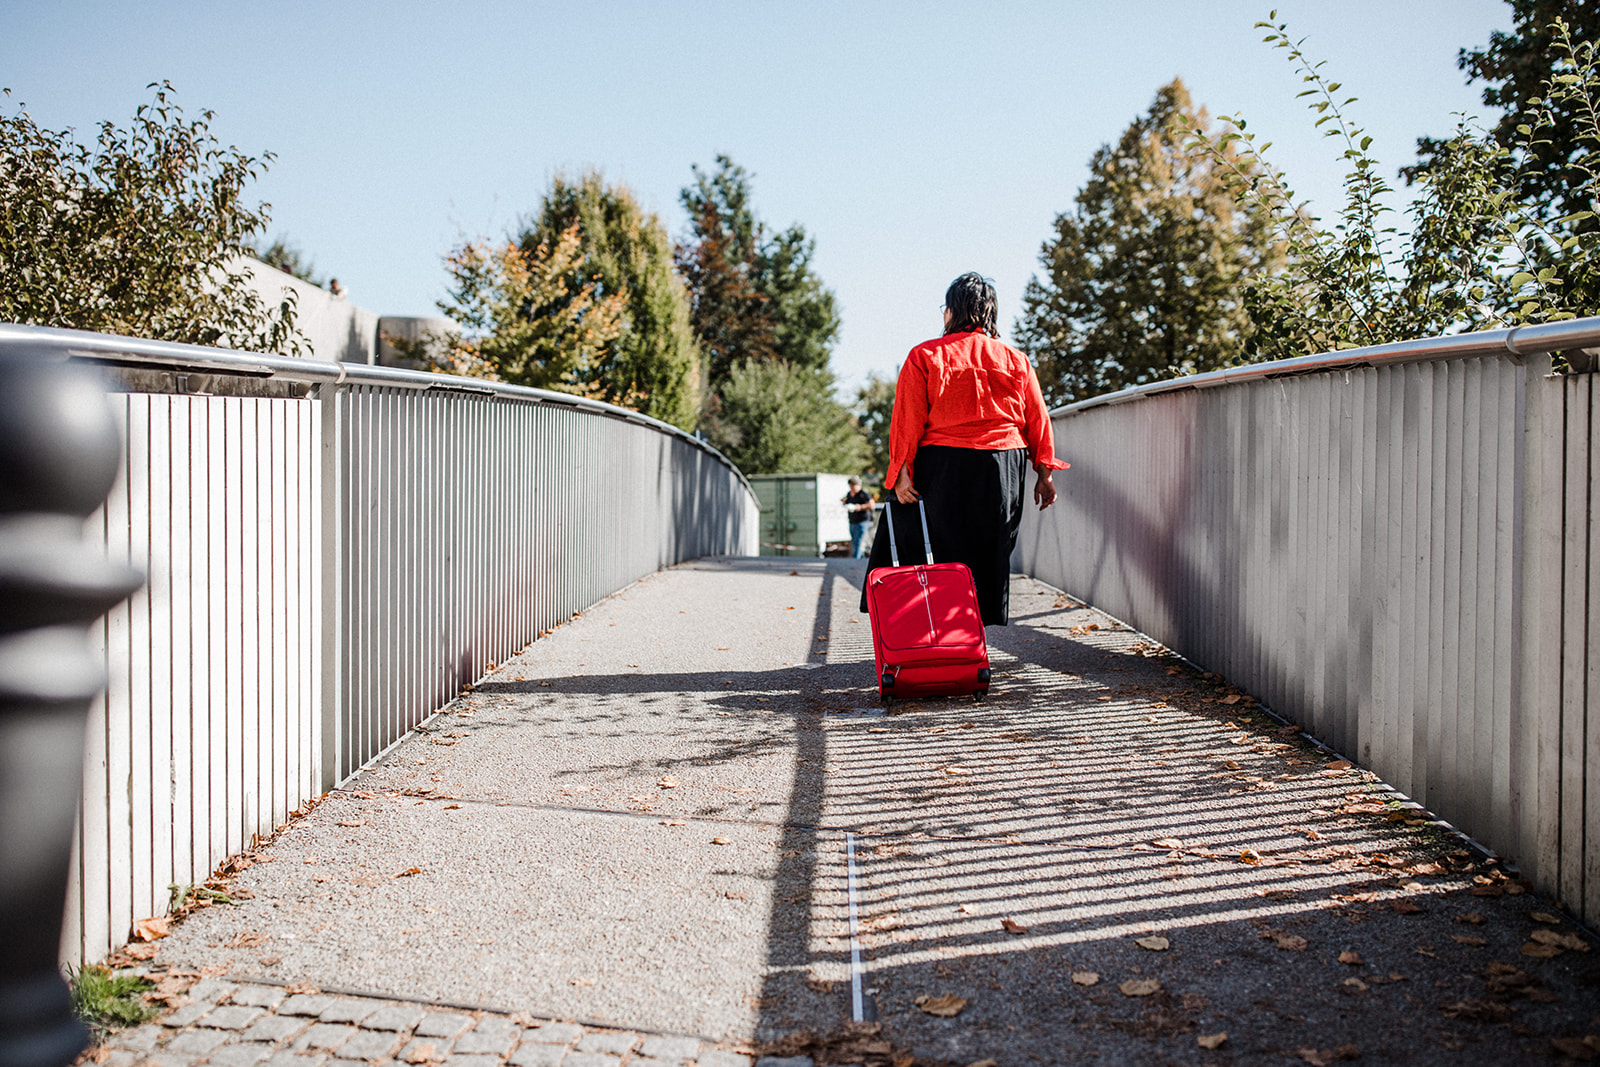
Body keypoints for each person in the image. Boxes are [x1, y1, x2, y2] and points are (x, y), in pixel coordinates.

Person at [861, 272, 1068, 626]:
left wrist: (901, 472)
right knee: (990, 551)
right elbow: (1037, 418)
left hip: (943, 463)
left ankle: (941, 632)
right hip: (1003, 465)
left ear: (952, 311)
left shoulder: (924, 355)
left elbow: (908, 419)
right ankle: (974, 636)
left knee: (937, 550)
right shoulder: (1016, 359)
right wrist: (1044, 473)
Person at [842, 476, 876, 558]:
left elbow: (872, 505)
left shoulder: (863, 493)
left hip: (862, 521)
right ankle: (861, 559)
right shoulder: (849, 494)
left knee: (858, 541)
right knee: (854, 541)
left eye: (853, 486)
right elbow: (846, 502)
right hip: (852, 521)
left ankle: (855, 559)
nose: (852, 488)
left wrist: (859, 507)